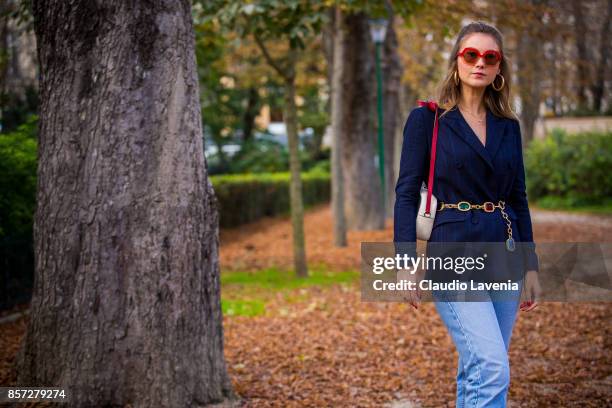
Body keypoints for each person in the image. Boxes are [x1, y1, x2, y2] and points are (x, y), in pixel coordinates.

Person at [393, 21, 543, 407]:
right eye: (471, 54)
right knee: (492, 366)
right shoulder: (428, 119)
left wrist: (531, 266)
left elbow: (519, 199)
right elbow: (406, 193)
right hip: (452, 252)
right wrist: (405, 259)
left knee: (479, 366)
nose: (480, 63)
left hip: (504, 254)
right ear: (456, 61)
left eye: (489, 57)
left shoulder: (509, 126)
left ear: (499, 69)